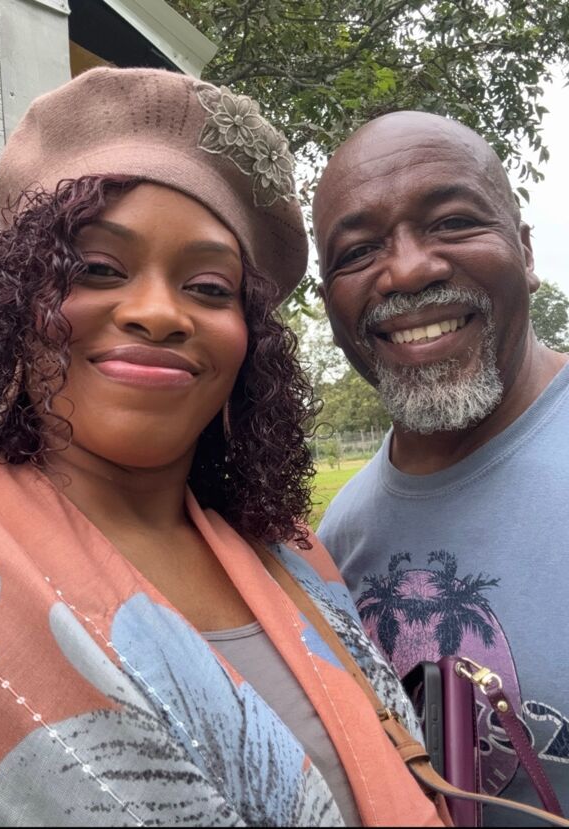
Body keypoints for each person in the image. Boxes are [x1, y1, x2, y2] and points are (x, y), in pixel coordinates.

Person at [0, 70, 445, 828]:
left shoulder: (296, 557)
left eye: (208, 287)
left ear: (249, 345)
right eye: (96, 269)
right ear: (13, 303)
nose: (158, 313)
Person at [313, 109, 569, 824]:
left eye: (453, 222)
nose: (408, 269)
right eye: (358, 251)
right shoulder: (337, 544)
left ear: (524, 249)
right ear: (330, 303)